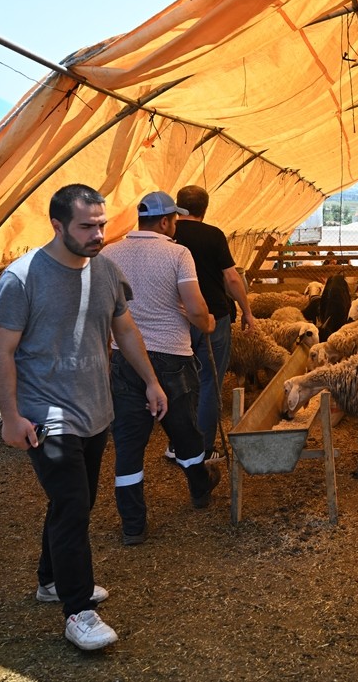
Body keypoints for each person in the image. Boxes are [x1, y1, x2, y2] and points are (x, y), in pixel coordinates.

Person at [0, 183, 167, 651]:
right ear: (57, 225)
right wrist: (10, 417)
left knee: (77, 501)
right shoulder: (21, 278)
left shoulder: (106, 270)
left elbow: (124, 329)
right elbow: (1, 351)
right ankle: (78, 610)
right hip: (45, 414)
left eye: (102, 225)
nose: (98, 234)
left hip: (94, 408)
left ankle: (51, 580)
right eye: (87, 226)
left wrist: (151, 381)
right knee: (71, 505)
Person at [101, 191, 220, 547]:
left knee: (128, 443)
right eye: (174, 221)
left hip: (125, 358)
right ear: (167, 221)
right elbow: (195, 309)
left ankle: (133, 525)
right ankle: (199, 489)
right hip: (171, 356)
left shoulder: (108, 254)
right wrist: (208, 323)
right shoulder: (178, 254)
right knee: (184, 431)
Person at [171, 185, 255, 462]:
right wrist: (247, 311)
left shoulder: (168, 235)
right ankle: (203, 448)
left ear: (178, 206)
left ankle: (177, 444)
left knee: (179, 381)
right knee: (210, 380)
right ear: (204, 209)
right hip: (213, 317)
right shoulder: (213, 235)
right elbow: (231, 278)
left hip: (177, 318)